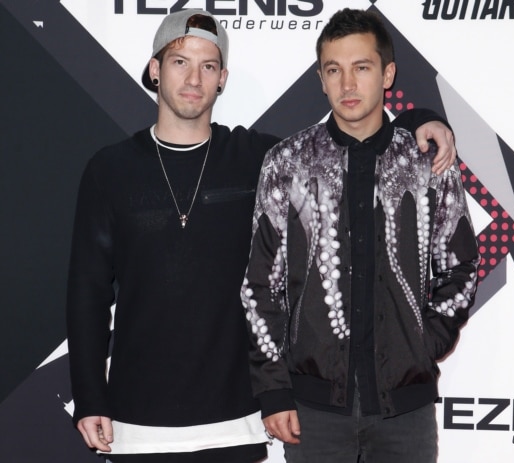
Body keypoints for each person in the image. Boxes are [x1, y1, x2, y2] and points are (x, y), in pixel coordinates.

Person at [66, 8, 457, 463]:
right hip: (136, 424)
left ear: (222, 79)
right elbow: (87, 295)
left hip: (236, 423)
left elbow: (350, 136)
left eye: (208, 66)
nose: (194, 78)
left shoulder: (261, 159)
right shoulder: (109, 170)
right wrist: (90, 396)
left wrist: (418, 121)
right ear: (155, 70)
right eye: (179, 62)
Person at [241, 8, 480, 463]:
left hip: (404, 414)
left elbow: (460, 265)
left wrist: (421, 345)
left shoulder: (427, 160)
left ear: (387, 74)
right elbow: (260, 286)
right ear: (321, 78)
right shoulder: (287, 162)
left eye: (362, 68)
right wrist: (273, 389)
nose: (348, 84)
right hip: (312, 413)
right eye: (334, 70)